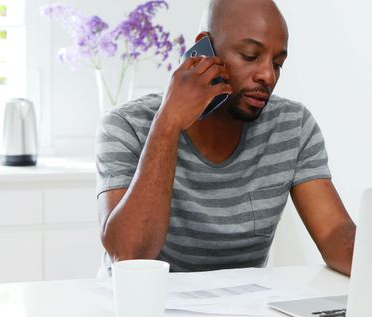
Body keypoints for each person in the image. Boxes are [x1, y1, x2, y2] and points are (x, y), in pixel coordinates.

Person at [95, 0, 356, 276]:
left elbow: (335, 234)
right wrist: (168, 123)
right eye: (249, 55)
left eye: (278, 63)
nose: (268, 75)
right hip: (145, 312)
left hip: (240, 311)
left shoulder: (292, 125)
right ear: (204, 51)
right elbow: (129, 255)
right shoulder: (126, 125)